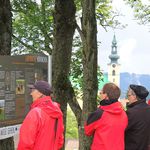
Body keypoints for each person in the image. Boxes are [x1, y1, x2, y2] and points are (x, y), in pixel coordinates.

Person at [17, 80, 64, 150]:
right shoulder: (57, 111)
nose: (31, 94)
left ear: (40, 93)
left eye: (33, 90)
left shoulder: (35, 113)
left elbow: (25, 143)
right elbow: (60, 140)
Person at [84, 83, 128, 150]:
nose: (100, 93)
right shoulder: (124, 114)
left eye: (101, 92)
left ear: (106, 95)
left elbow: (87, 131)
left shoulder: (99, 114)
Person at [125, 84, 150, 150]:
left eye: (129, 95)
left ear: (135, 96)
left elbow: (121, 130)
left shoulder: (131, 112)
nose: (128, 97)